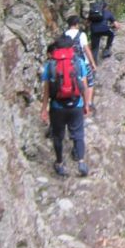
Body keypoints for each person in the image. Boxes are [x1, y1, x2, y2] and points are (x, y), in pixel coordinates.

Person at [40, 36, 89, 177]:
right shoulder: (78, 62)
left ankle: (60, 164)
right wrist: (86, 104)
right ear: (71, 48)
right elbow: (84, 86)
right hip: (76, 105)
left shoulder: (50, 65)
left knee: (58, 136)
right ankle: (81, 163)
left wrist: (44, 109)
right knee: (78, 134)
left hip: (57, 107)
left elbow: (47, 91)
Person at [65, 15, 97, 115]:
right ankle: (88, 103)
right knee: (89, 82)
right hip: (83, 62)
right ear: (76, 24)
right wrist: (92, 62)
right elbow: (86, 49)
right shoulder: (81, 35)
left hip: (69, 63)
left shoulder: (64, 34)